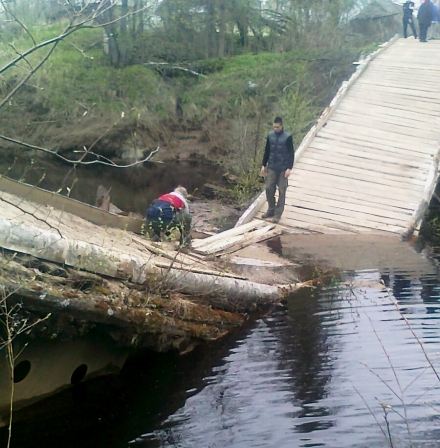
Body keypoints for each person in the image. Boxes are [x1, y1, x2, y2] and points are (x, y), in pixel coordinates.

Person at [260, 116, 294, 224]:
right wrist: (263, 165)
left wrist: (289, 168)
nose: (275, 129)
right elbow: (267, 150)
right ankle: (271, 209)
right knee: (269, 188)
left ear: (281, 125)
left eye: (277, 127)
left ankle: (278, 213)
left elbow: (291, 153)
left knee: (282, 191)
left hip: (283, 168)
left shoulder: (288, 137)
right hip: (272, 167)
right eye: (274, 127)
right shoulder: (270, 136)